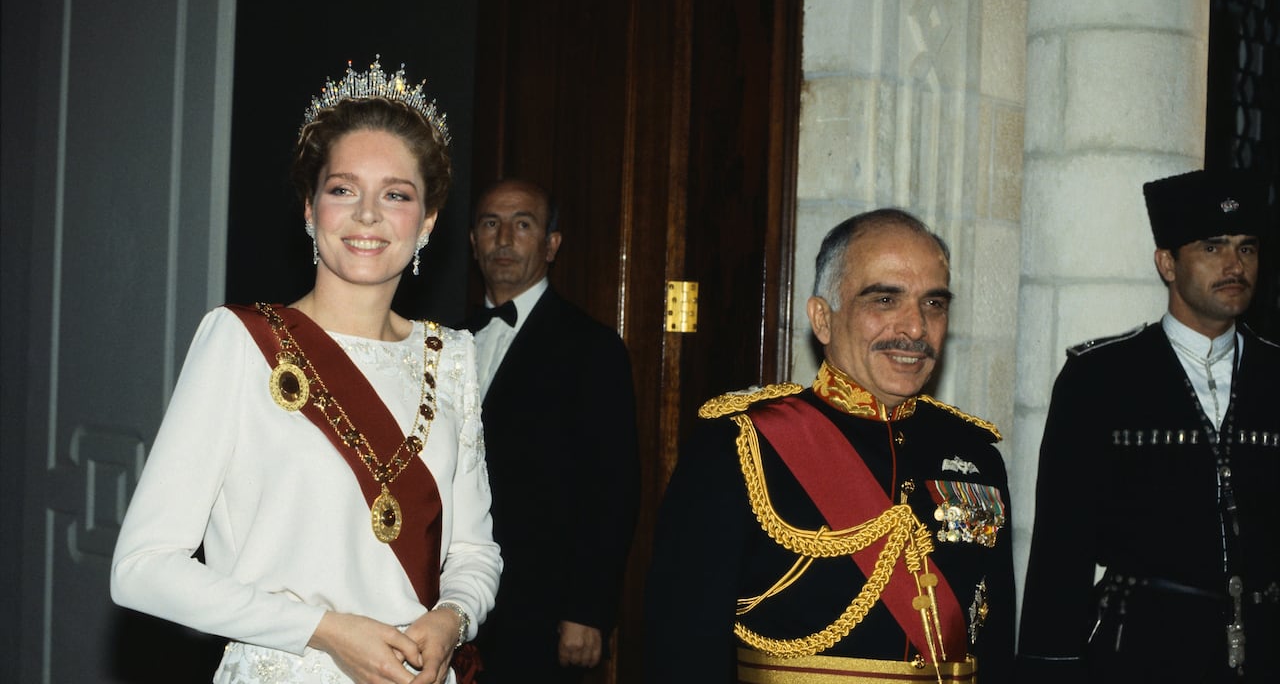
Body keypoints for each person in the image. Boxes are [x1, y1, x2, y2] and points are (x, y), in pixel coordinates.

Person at [110, 59, 502, 684]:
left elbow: (474, 552)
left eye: (396, 195)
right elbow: (142, 569)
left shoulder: (452, 358)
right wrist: (325, 631)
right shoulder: (241, 343)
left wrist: (450, 619)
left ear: (427, 221)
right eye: (343, 189)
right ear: (310, 208)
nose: (368, 215)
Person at [644, 209, 1014, 683]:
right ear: (822, 318)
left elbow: (998, 644)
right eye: (885, 299)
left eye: (934, 304)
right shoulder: (743, 444)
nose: (916, 328)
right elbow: (682, 647)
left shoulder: (976, 455)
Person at [1017, 168, 1279, 683]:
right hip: (1140, 653)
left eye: (1247, 248)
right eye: (1212, 247)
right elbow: (1060, 550)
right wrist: (1050, 668)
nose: (1234, 265)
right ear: (1167, 263)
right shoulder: (1099, 377)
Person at [465, 179, 640, 683]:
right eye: (490, 224)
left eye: (523, 225)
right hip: (452, 604)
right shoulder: (447, 341)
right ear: (473, 241)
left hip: (543, 610)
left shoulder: (591, 349)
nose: (504, 239)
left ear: (551, 244)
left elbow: (613, 489)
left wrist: (588, 609)